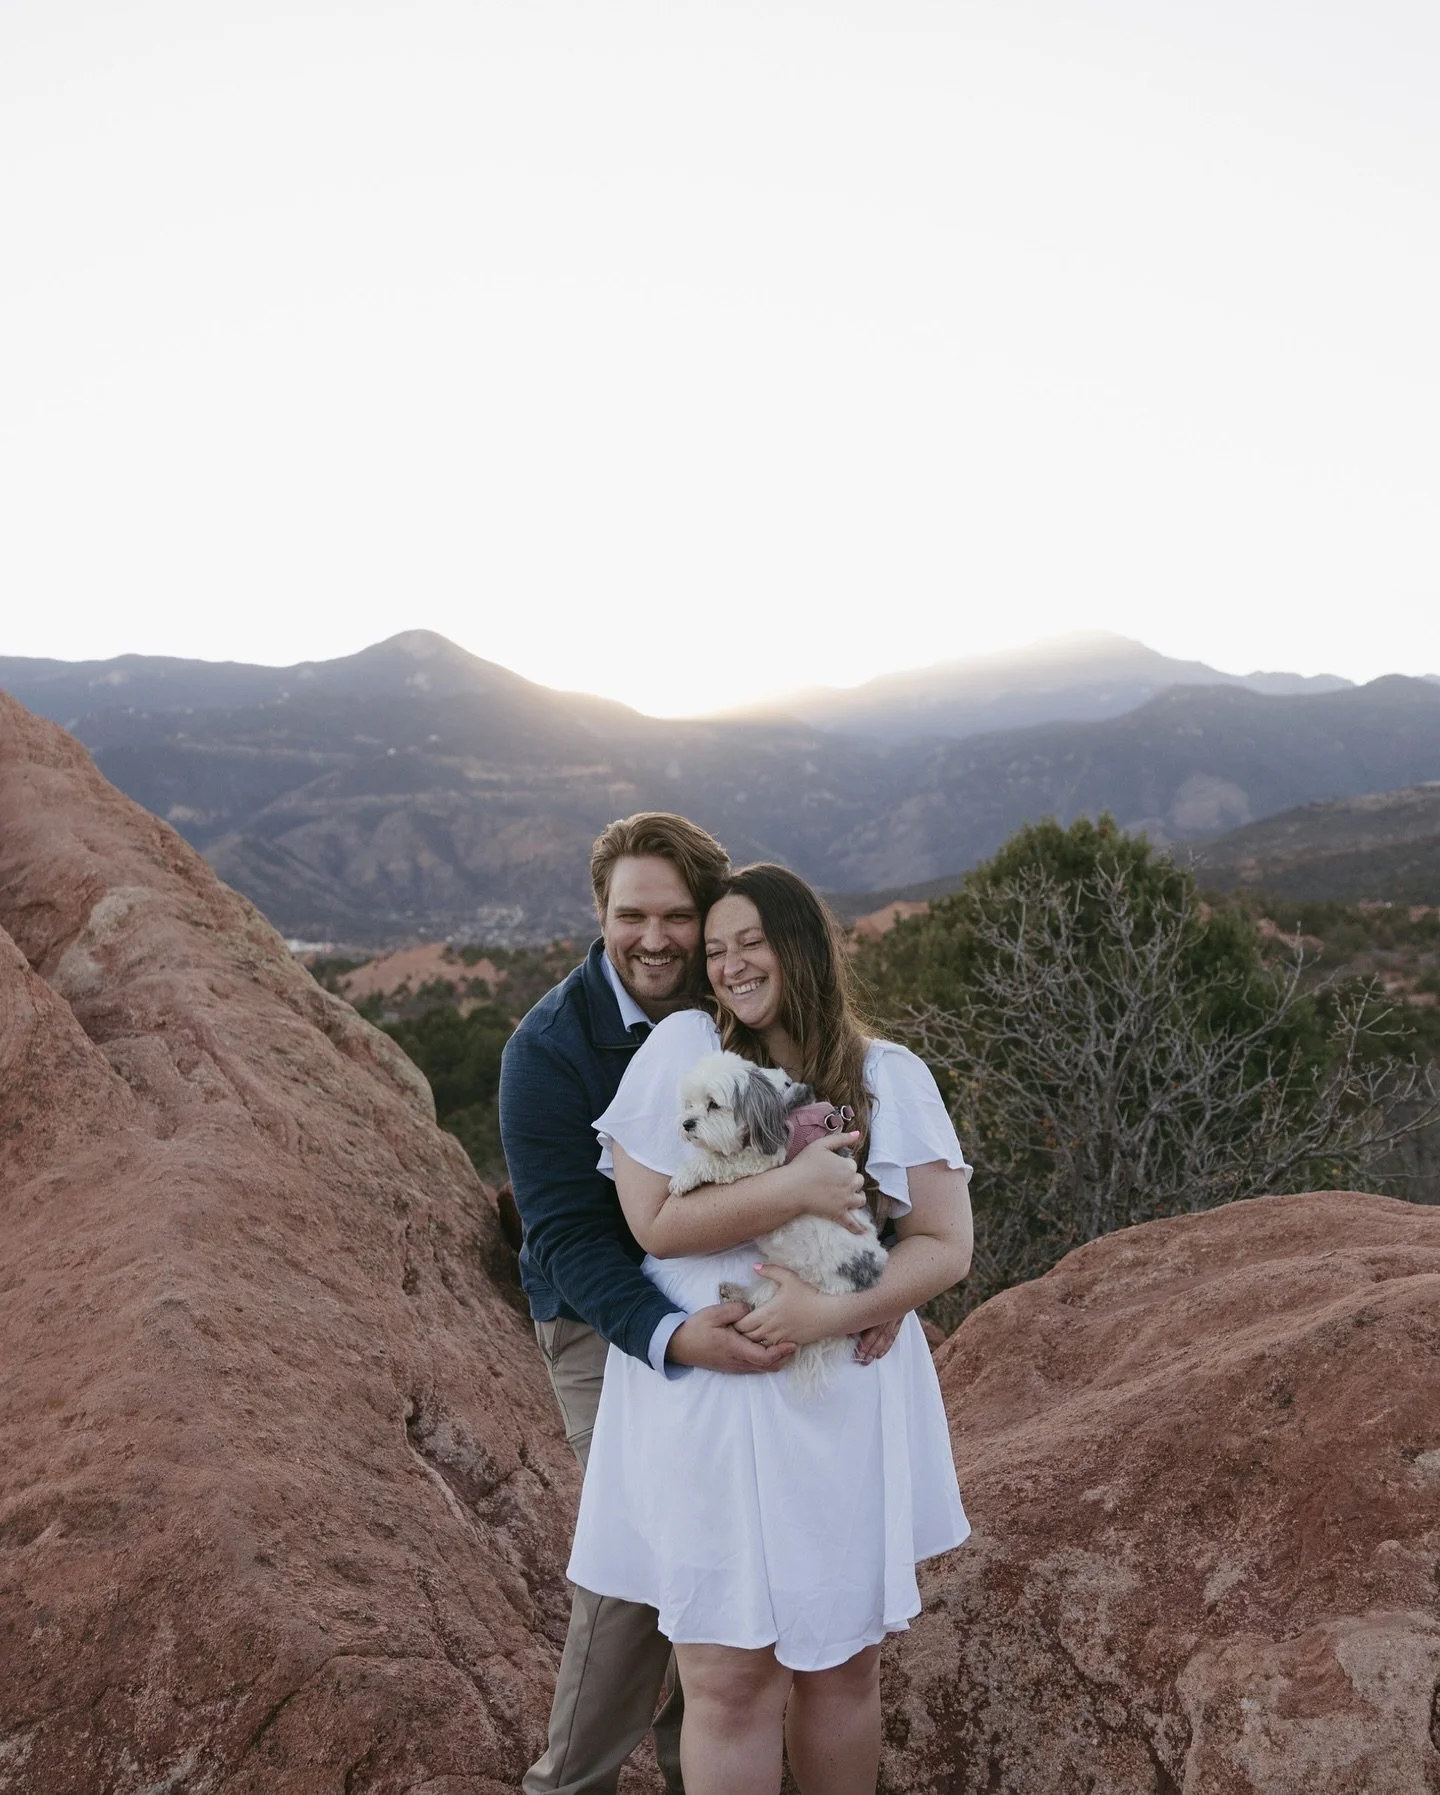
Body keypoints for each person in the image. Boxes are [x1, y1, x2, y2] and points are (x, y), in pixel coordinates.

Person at [567, 862, 975, 1795]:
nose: (731, 964)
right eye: (716, 950)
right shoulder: (685, 1056)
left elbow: (946, 1244)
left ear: (802, 943)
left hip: (837, 1399)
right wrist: (794, 1188)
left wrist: (839, 1308)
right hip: (707, 1400)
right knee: (726, 1676)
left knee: (841, 1664)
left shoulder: (885, 1074)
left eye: (750, 941)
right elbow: (653, 1223)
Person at [500, 816, 877, 1795]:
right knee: (646, 1556)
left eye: (678, 915)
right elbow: (572, 1239)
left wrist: (855, 1284)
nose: (655, 938)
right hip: (606, 1311)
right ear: (600, 914)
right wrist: (671, 1336)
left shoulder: (745, 1005)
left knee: (745, 1548)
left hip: (759, 1293)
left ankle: (708, 1769)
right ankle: (567, 1783)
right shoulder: (548, 1050)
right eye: (632, 915)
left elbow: (828, 1151)